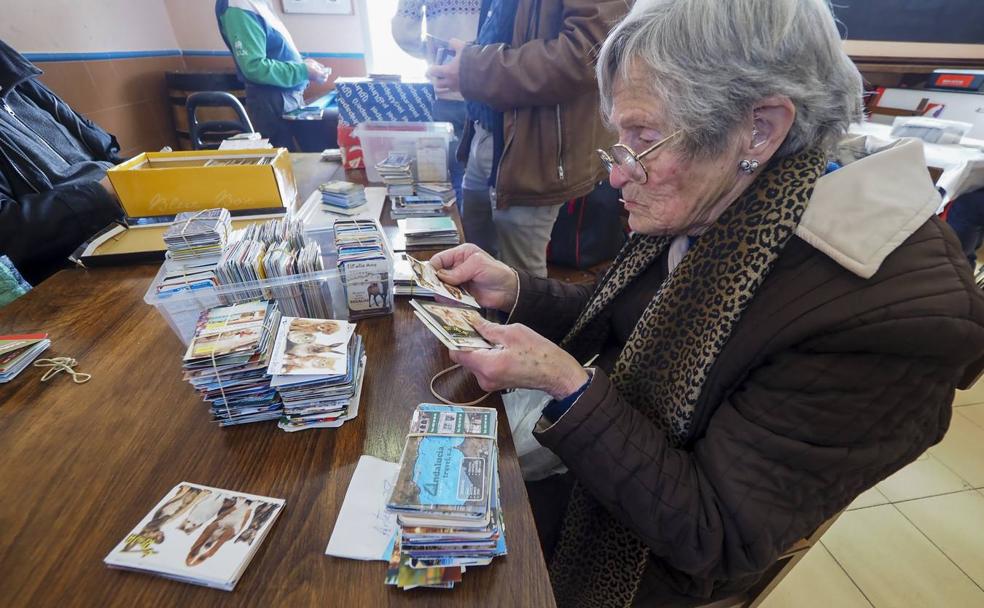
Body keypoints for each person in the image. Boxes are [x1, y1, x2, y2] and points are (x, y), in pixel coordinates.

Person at [429, 1, 984, 605]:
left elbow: (715, 533)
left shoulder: (884, 320)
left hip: (650, 561)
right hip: (610, 455)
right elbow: (633, 317)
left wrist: (570, 386)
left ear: (760, 128)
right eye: (621, 138)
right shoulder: (734, 192)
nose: (618, 174)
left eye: (641, 138)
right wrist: (517, 290)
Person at [426, 0, 629, 277]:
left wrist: (472, 67)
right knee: (472, 261)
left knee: (519, 279)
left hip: (536, 146)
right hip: (488, 130)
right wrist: (468, 59)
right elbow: (510, 31)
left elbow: (587, 52)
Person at [0, 39, 125, 286]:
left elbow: (101, 149)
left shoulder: (19, 81)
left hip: (121, 221)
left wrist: (140, 174)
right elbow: (6, 234)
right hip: (69, 264)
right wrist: (101, 195)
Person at [391, 0, 481, 209]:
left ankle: (459, 234)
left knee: (451, 177)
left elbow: (403, 32)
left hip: (445, 88)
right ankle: (480, 238)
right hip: (487, 88)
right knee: (485, 179)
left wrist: (430, 53)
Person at [215, 0, 330, 151]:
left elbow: (274, 51)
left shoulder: (257, 4)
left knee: (299, 159)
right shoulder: (239, 5)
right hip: (272, 101)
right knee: (287, 161)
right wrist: (303, 71)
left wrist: (303, 65)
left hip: (284, 98)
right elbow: (254, 67)